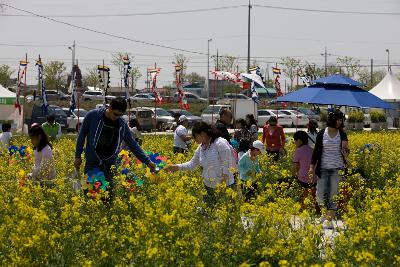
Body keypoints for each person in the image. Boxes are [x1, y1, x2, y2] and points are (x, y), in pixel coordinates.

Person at [75, 97, 156, 201]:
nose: (117, 117)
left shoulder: (121, 123)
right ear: (110, 107)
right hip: (93, 162)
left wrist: (147, 161)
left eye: (120, 115)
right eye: (115, 114)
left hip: (109, 165)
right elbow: (81, 136)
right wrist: (77, 156)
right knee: (90, 196)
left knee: (107, 198)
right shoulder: (93, 116)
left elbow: (132, 143)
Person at [165, 121, 236, 206]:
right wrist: (175, 167)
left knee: (226, 214)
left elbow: (227, 164)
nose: (194, 140)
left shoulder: (220, 143)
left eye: (195, 137)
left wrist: (222, 184)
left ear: (202, 134)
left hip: (225, 187)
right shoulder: (201, 147)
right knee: (209, 215)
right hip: (208, 186)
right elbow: (192, 164)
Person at [309, 110, 349, 229]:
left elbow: (346, 152)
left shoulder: (342, 134)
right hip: (323, 168)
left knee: (333, 194)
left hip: (337, 168)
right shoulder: (322, 133)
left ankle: (329, 220)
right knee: (320, 195)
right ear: (332, 120)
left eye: (341, 120)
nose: (340, 122)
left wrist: (346, 151)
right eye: (338, 119)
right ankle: (324, 215)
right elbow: (316, 151)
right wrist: (311, 167)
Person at [293, 131, 318, 212]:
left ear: (299, 141)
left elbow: (295, 166)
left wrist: (295, 174)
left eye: (295, 140)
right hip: (314, 178)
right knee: (314, 194)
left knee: (304, 193)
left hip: (303, 178)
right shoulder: (312, 149)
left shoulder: (298, 151)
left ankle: (303, 208)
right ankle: (317, 208)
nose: (294, 142)